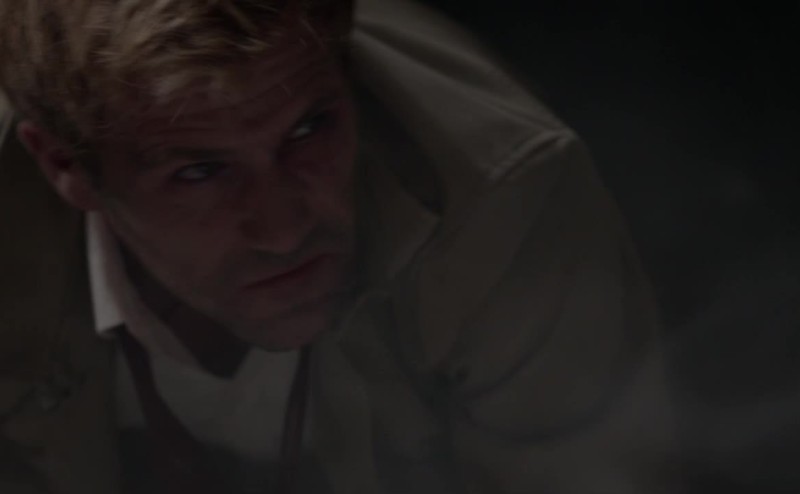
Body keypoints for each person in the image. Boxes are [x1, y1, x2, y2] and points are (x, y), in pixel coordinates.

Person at [0, 0, 680, 492]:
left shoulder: (502, 201)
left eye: (310, 129)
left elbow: (594, 474)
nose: (285, 229)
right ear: (62, 164)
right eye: (200, 172)